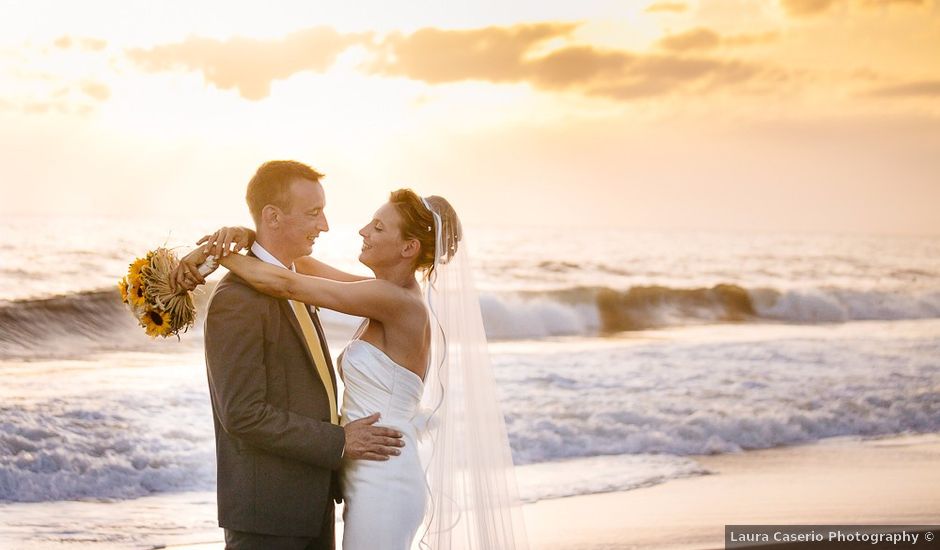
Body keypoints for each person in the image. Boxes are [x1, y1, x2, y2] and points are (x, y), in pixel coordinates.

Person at [178, 168, 528, 550]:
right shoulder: (379, 291)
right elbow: (295, 267)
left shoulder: (395, 302)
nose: (362, 231)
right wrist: (249, 235)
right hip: (364, 469)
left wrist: (212, 256)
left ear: (408, 248)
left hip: (384, 470)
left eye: (378, 228)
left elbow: (286, 282)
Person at [177, 160, 405, 550]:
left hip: (312, 502)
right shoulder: (237, 300)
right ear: (273, 216)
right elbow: (243, 413)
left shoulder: (295, 278)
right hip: (268, 515)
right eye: (313, 213)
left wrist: (241, 241)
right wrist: (339, 442)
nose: (325, 225)